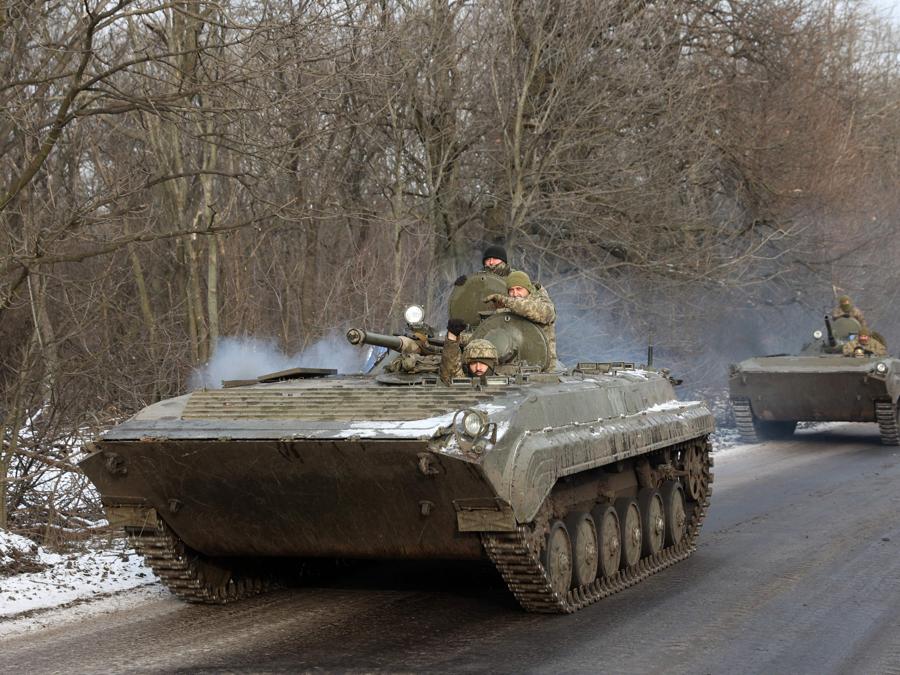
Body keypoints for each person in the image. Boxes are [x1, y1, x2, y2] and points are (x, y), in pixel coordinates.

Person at [484, 270, 558, 365]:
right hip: (510, 367)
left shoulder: (543, 304)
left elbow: (543, 313)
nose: (515, 294)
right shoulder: (506, 310)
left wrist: (506, 301)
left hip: (543, 368)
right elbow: (490, 334)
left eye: (519, 289)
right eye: (511, 290)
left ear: (528, 289)